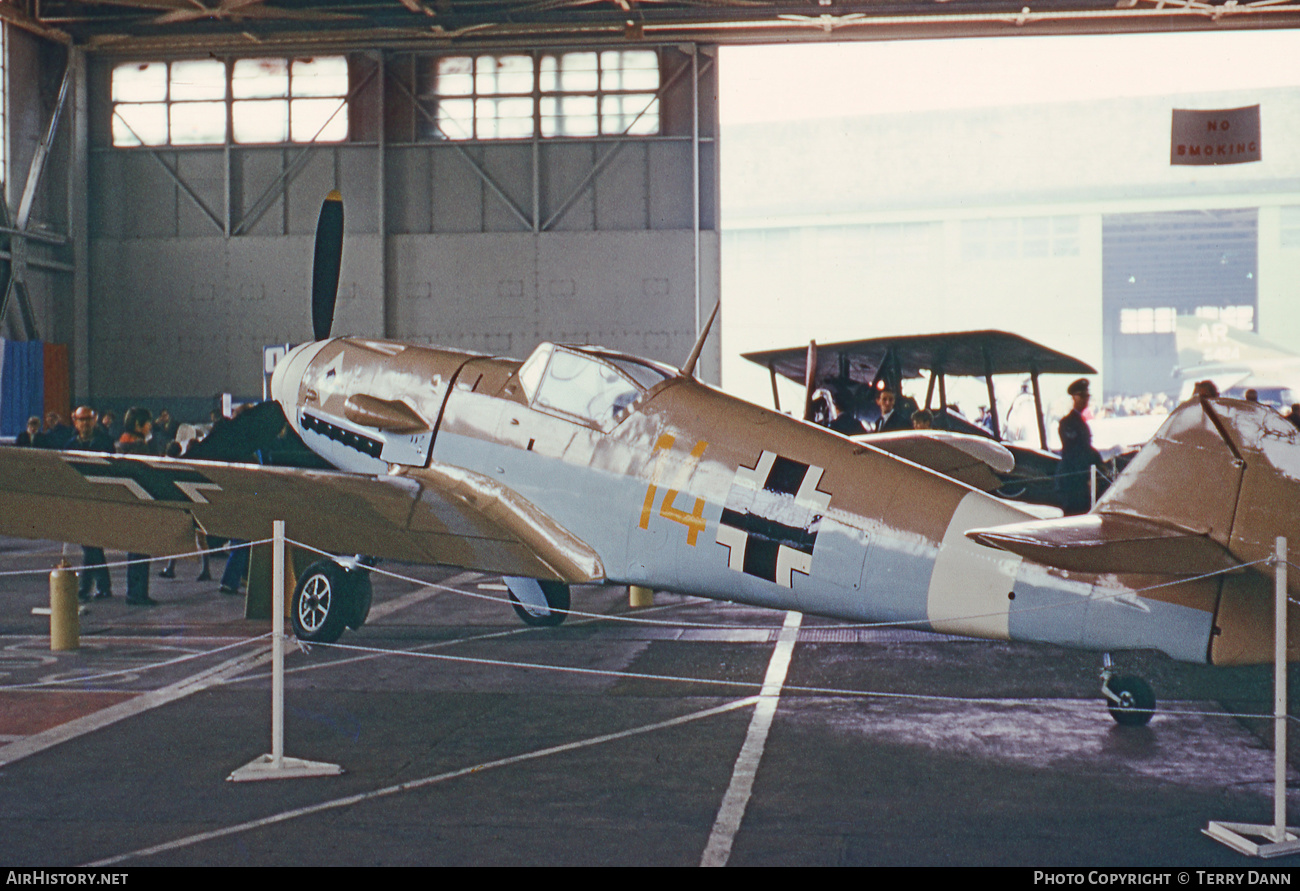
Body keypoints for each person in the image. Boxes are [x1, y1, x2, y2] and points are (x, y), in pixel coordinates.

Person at [64, 406, 117, 601]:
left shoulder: (105, 442)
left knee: (91, 544)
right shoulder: (70, 445)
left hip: (98, 499)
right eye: (81, 419)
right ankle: (96, 587)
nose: (85, 423)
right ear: (75, 421)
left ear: (94, 420)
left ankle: (90, 587)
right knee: (91, 545)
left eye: (88, 419)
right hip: (80, 500)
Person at [116, 407, 157, 606]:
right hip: (141, 502)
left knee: (133, 551)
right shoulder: (140, 446)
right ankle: (139, 593)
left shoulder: (121, 442)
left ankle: (133, 591)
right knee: (141, 551)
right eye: (147, 422)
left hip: (127, 503)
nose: (150, 426)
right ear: (138, 425)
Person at [1055, 378, 1105, 516]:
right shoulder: (1067, 423)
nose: (1086, 400)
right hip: (1073, 482)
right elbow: (1076, 452)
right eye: (1083, 396)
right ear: (1074, 398)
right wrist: (1089, 474)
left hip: (1081, 480)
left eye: (1087, 396)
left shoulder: (1081, 423)